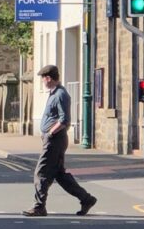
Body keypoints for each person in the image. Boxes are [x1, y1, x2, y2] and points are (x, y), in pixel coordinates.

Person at [23, 65, 98, 217]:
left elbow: (64, 119)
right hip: (53, 139)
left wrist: (50, 132)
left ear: (48, 78)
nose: (43, 82)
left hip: (55, 140)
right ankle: (86, 199)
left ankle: (39, 207)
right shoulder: (54, 93)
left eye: (43, 79)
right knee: (60, 175)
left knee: (41, 172)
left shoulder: (60, 95)